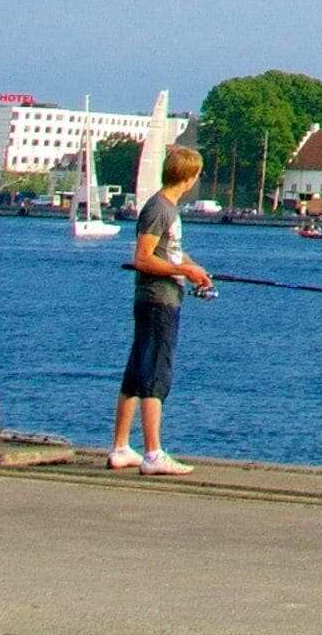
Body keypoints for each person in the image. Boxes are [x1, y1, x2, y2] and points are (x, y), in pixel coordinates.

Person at [109, 142, 214, 474]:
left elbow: (168, 252)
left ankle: (122, 448)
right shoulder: (159, 209)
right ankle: (154, 454)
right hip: (158, 301)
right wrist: (183, 271)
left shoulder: (167, 208)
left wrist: (194, 269)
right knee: (155, 374)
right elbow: (143, 258)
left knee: (136, 373)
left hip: (160, 299)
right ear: (189, 176)